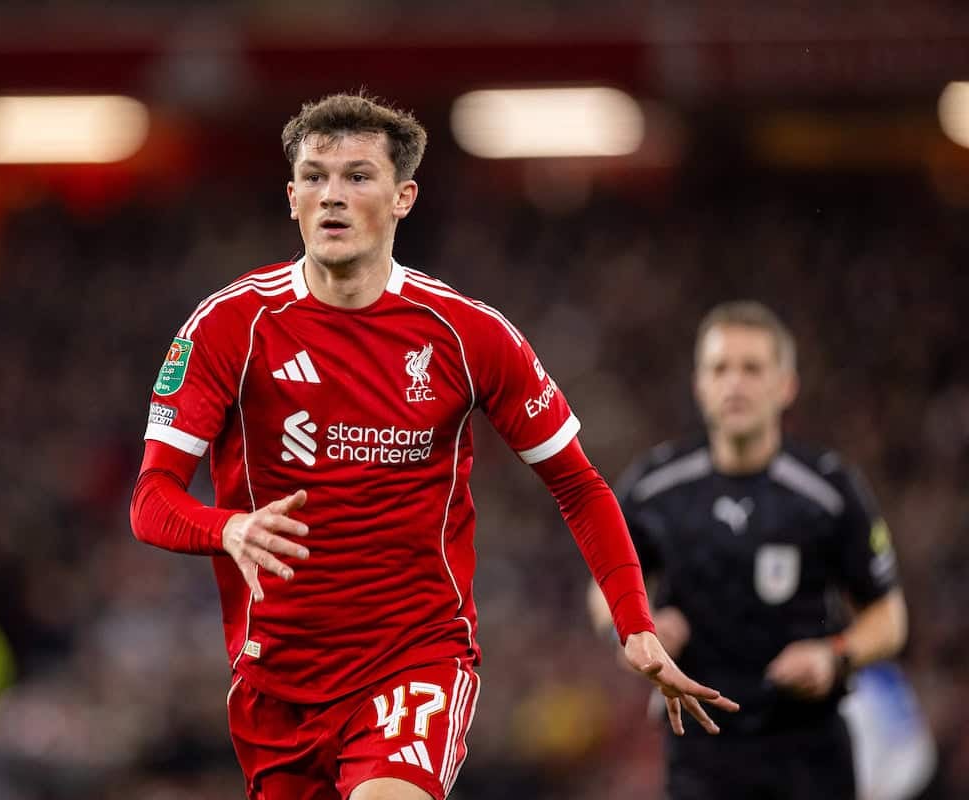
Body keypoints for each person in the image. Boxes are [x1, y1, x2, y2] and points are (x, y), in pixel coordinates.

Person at [129, 92, 737, 800]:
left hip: (414, 658)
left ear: (403, 197)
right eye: (316, 176)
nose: (332, 195)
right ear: (290, 196)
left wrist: (634, 625)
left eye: (358, 176)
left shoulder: (465, 334)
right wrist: (226, 527)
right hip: (277, 680)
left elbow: (579, 484)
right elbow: (151, 500)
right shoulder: (230, 327)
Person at [587, 301, 909, 800]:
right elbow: (601, 584)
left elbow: (889, 617)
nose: (734, 383)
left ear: (786, 386)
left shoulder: (828, 490)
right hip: (699, 751)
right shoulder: (656, 487)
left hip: (808, 750)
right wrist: (631, 629)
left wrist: (834, 654)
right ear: (699, 384)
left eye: (752, 368)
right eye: (720, 368)